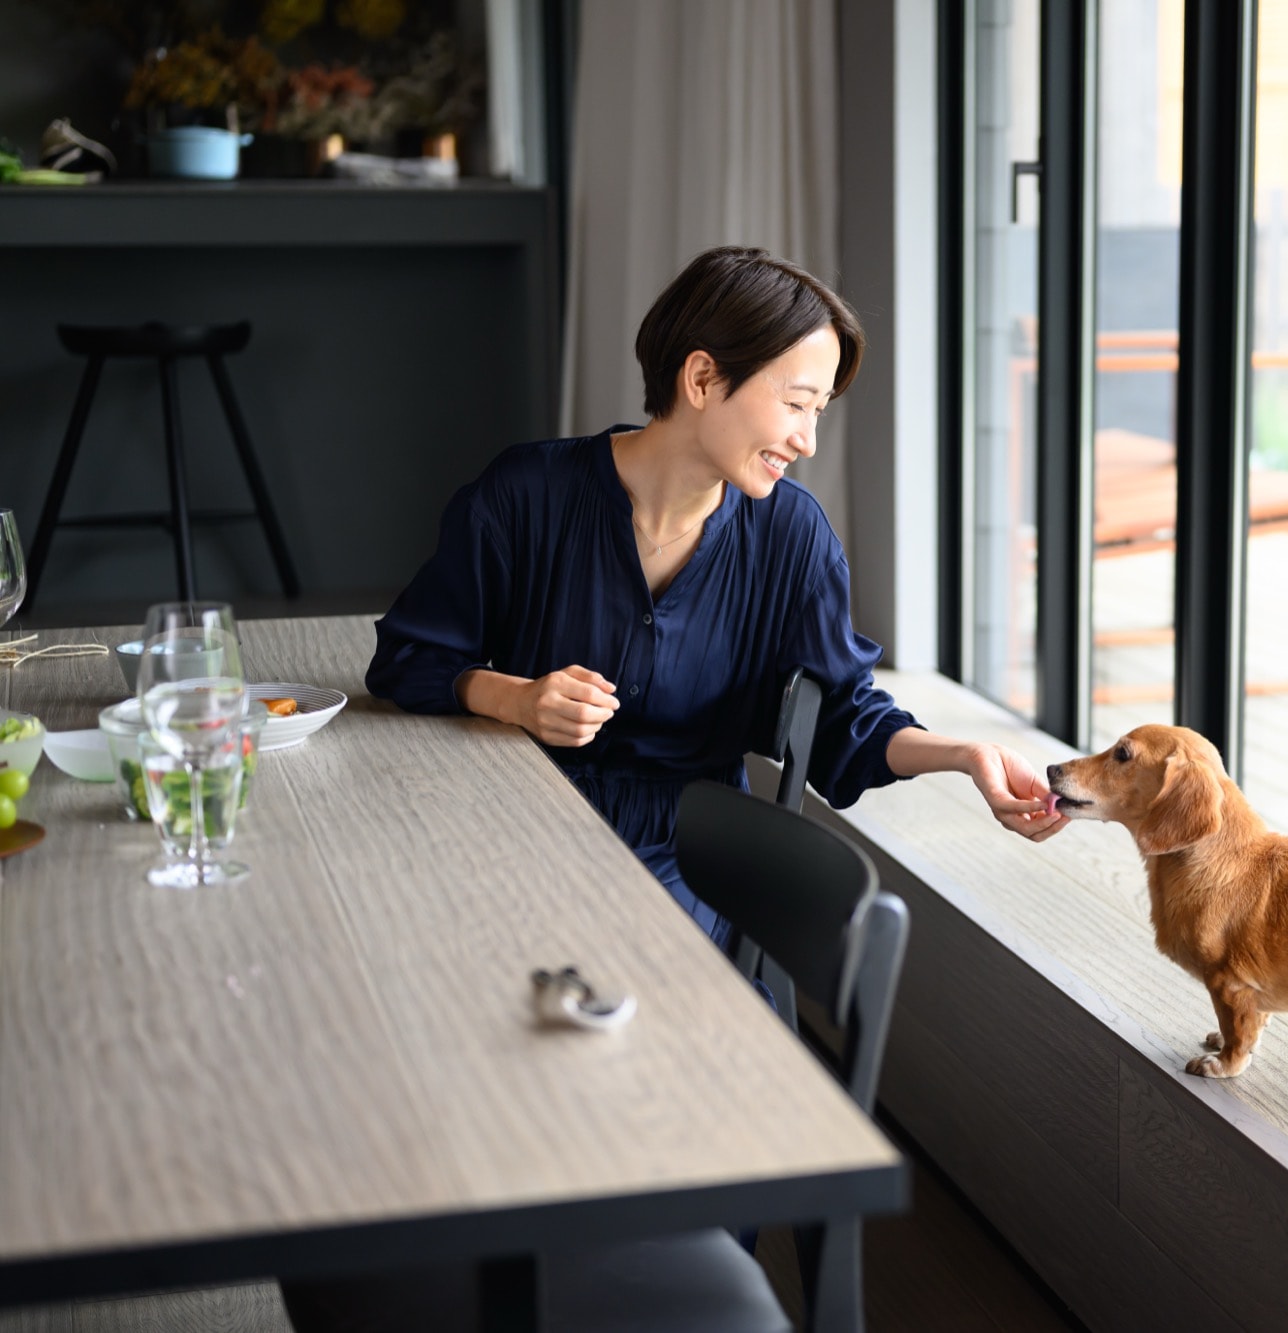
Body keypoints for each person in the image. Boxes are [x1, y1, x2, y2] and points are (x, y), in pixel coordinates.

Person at [365, 245, 1069, 952]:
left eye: (818, 411)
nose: (808, 439)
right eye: (797, 404)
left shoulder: (793, 537)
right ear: (702, 378)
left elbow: (842, 718)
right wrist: (516, 698)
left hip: (685, 860)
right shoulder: (526, 495)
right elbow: (408, 656)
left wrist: (965, 753)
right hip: (508, 822)